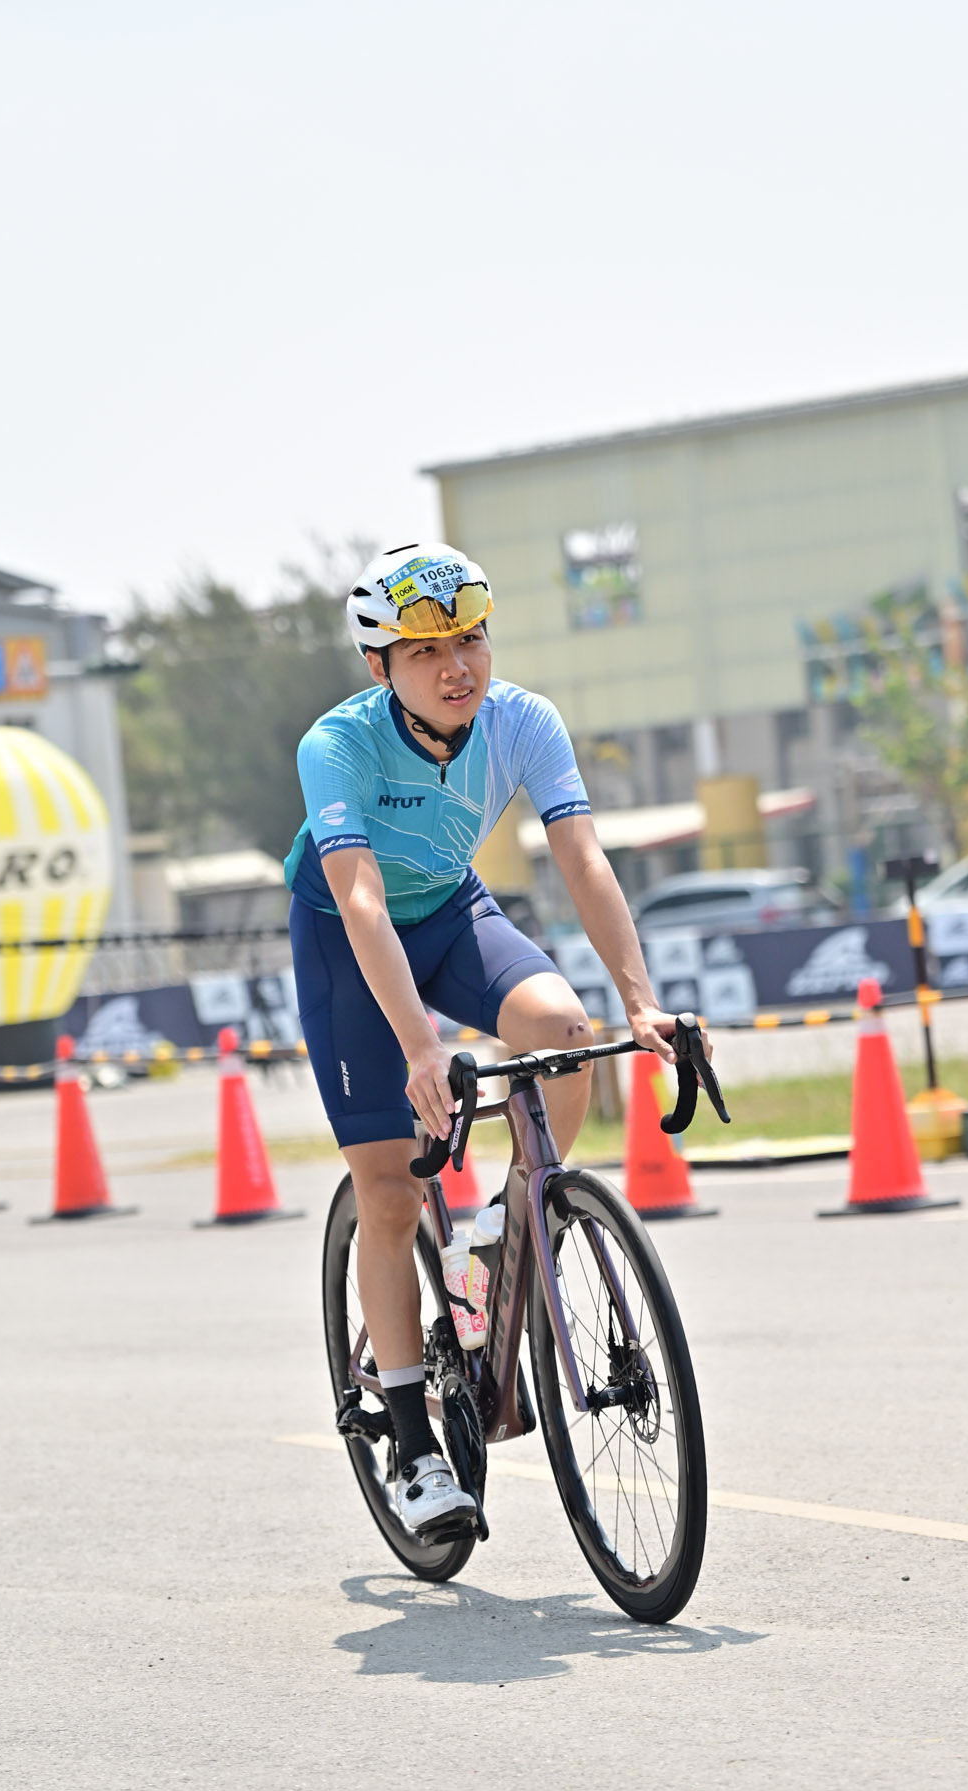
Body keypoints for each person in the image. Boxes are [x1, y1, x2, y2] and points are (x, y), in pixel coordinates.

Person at [286, 542, 695, 1538]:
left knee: (564, 1029)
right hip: (348, 937)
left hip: (451, 908)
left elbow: (583, 860)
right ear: (379, 666)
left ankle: (504, 1227)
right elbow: (362, 900)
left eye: (469, 639)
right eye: (426, 651)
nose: (456, 666)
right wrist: (421, 1047)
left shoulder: (522, 720)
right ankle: (412, 1443)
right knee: (390, 1190)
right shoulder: (336, 745)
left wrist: (641, 1003)